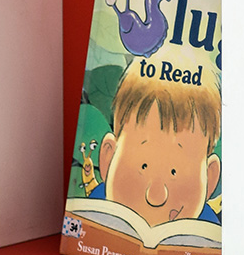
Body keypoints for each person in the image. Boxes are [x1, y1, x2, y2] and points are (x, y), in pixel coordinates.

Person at [90, 60, 221, 228]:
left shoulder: (206, 233)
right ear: (108, 159)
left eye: (174, 172)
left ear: (210, 178)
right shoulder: (93, 213)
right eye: (143, 166)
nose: (156, 197)